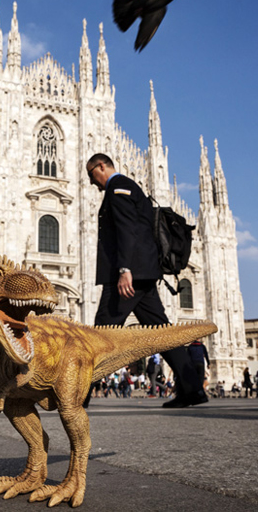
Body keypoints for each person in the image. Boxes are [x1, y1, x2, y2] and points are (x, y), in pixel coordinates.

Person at [85, 153, 206, 409]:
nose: (92, 182)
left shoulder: (118, 187)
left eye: (91, 175)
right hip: (143, 276)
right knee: (162, 334)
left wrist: (124, 269)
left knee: (100, 334)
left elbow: (127, 230)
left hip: (131, 277)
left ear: (101, 167)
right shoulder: (128, 187)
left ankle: (76, 394)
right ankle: (192, 389)